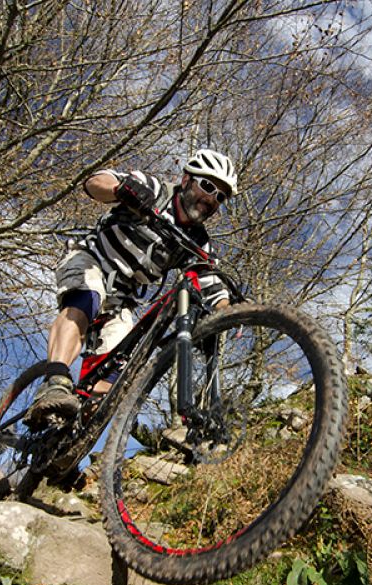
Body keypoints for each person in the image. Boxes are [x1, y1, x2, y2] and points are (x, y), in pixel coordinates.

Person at [26, 148, 237, 424]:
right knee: (88, 296)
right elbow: (94, 182)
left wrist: (231, 312)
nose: (211, 199)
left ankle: (68, 444)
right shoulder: (155, 190)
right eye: (207, 186)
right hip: (91, 260)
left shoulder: (198, 242)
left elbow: (212, 286)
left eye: (220, 197)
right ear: (186, 180)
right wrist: (122, 190)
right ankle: (54, 382)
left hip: (122, 299)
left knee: (114, 374)